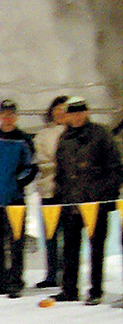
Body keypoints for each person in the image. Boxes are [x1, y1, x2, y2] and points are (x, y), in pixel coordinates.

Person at [50, 96, 123, 305]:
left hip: (95, 203)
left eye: (81, 112)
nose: (78, 117)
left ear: (87, 113)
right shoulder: (64, 138)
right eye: (74, 113)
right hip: (71, 203)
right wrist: (60, 196)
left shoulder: (101, 135)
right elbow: (60, 171)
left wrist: (102, 194)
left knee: (96, 249)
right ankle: (69, 288)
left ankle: (96, 290)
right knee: (70, 248)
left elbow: (115, 169)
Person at [0, 100, 37, 298]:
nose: (8, 117)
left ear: (16, 116)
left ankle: (16, 281)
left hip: (15, 200)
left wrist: (16, 184)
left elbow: (30, 168)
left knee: (15, 242)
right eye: (4, 114)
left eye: (11, 114)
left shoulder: (23, 139)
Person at [33, 95, 68, 289]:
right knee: (51, 235)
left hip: (71, 192)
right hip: (48, 190)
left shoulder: (75, 133)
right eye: (57, 108)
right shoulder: (42, 135)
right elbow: (41, 159)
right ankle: (51, 273)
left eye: (65, 109)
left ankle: (68, 273)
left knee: (70, 236)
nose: (61, 112)